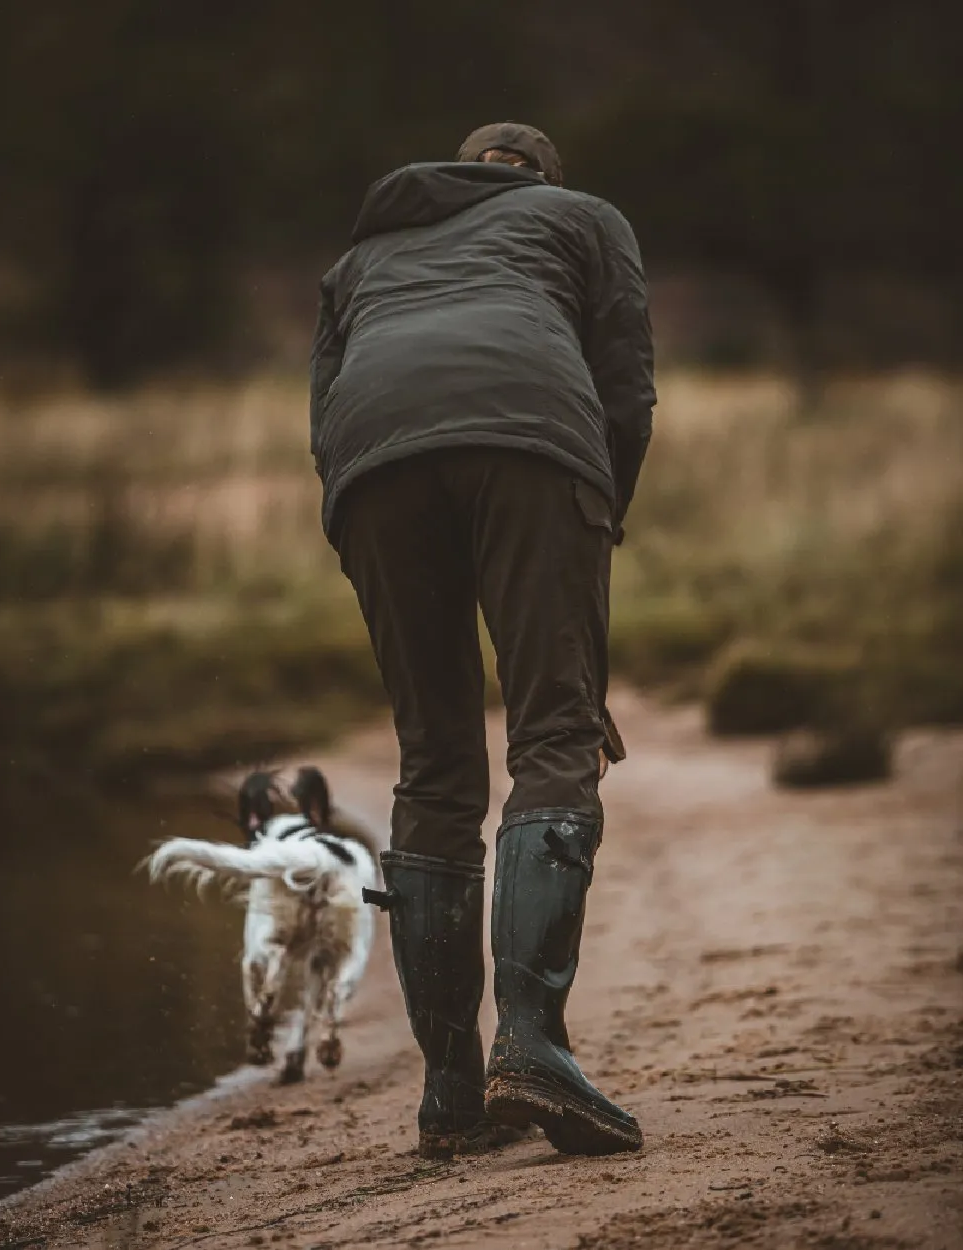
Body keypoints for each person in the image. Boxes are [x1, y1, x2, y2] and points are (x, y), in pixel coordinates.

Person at [309, 121, 656, 1157]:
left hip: (373, 469)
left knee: (435, 758)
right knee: (552, 730)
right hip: (533, 448)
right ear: (542, 181)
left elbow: (325, 418)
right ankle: (532, 1044)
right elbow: (625, 394)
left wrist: (362, 530)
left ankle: (452, 1091)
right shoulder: (584, 218)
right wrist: (602, 517)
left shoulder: (358, 257)